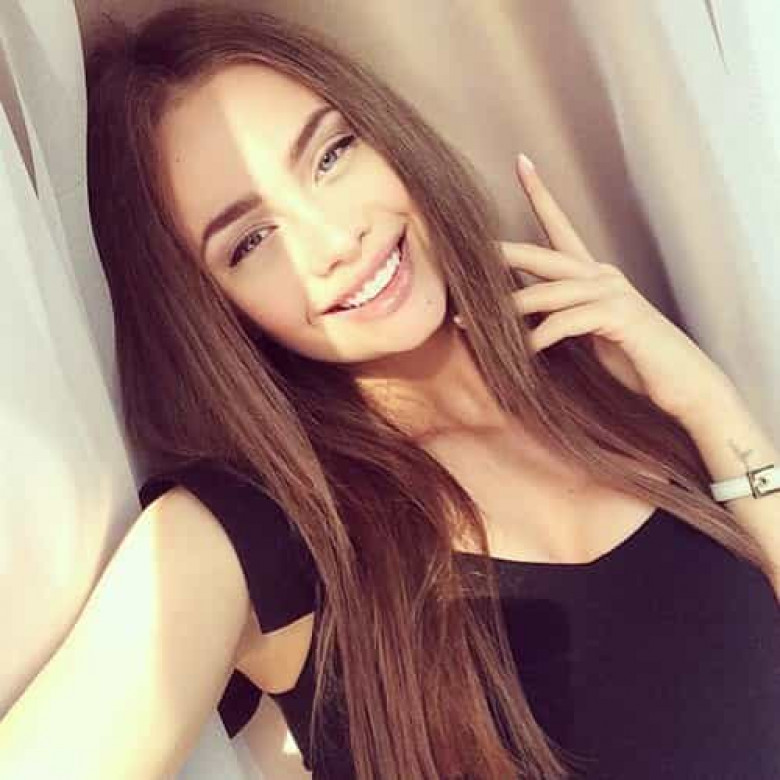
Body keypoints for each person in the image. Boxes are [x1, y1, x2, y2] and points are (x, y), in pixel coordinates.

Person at [2, 3, 779, 779]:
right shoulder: (254, 530)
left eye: (331, 154)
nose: (336, 239)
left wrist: (709, 403)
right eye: (253, 240)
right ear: (210, 311)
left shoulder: (602, 376)